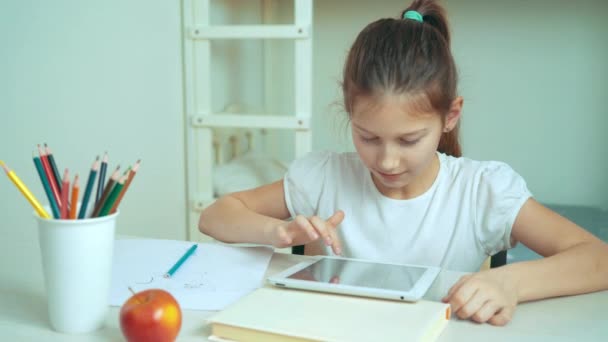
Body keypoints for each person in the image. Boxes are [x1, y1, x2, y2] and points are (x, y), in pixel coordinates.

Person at [199, 0, 608, 326]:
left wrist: (509, 282)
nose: (388, 160)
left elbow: (598, 258)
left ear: (450, 116)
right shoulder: (324, 177)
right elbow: (217, 216)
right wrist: (278, 230)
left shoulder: (482, 191)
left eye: (410, 140)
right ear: (348, 113)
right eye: (368, 137)